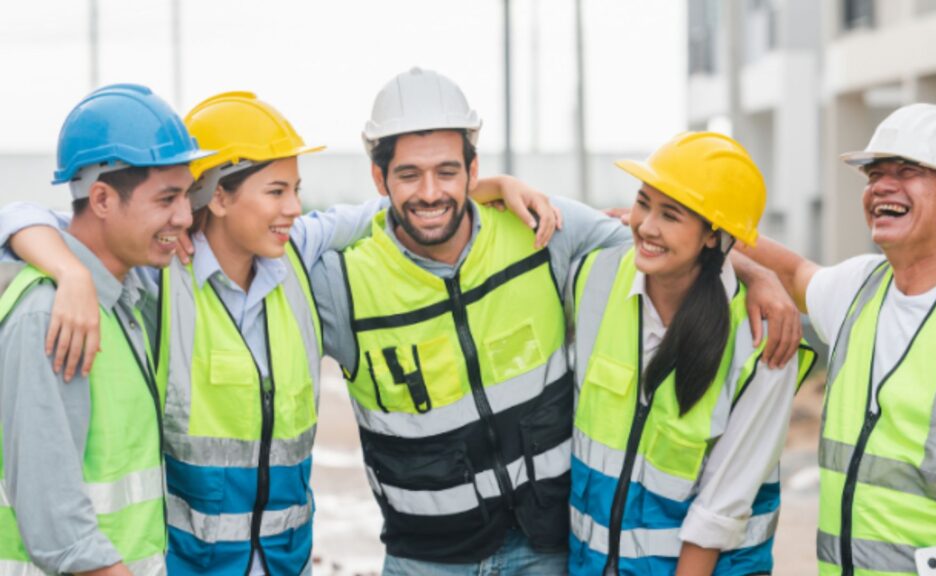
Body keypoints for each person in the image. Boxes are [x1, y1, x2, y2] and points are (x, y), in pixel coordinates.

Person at [0, 90, 558, 576]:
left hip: (288, 561)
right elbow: (52, 222)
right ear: (216, 197)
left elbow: (398, 207)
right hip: (192, 565)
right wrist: (69, 271)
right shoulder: (161, 277)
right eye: (275, 192)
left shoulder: (299, 257)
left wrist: (492, 184)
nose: (294, 207)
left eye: (296, 189)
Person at [309, 67, 803, 575]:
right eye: (409, 174)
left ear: (473, 170)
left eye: (448, 171)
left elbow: (670, 250)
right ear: (379, 178)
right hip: (428, 560)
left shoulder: (546, 239)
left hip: (544, 553)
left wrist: (754, 271)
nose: (430, 191)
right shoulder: (344, 283)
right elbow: (275, 245)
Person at [740, 103, 936, 575]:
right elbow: (787, 269)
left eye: (907, 171)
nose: (881, 186)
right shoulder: (859, 286)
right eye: (875, 173)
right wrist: (669, 227)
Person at [567, 132, 816, 576]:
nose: (646, 225)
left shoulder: (761, 338)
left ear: (712, 235)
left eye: (671, 214)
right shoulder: (595, 274)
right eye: (643, 202)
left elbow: (720, 509)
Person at [0, 84, 211, 575]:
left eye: (188, 195)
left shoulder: (124, 293)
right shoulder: (46, 315)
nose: (184, 218)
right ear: (101, 199)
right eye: (168, 199)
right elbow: (58, 524)